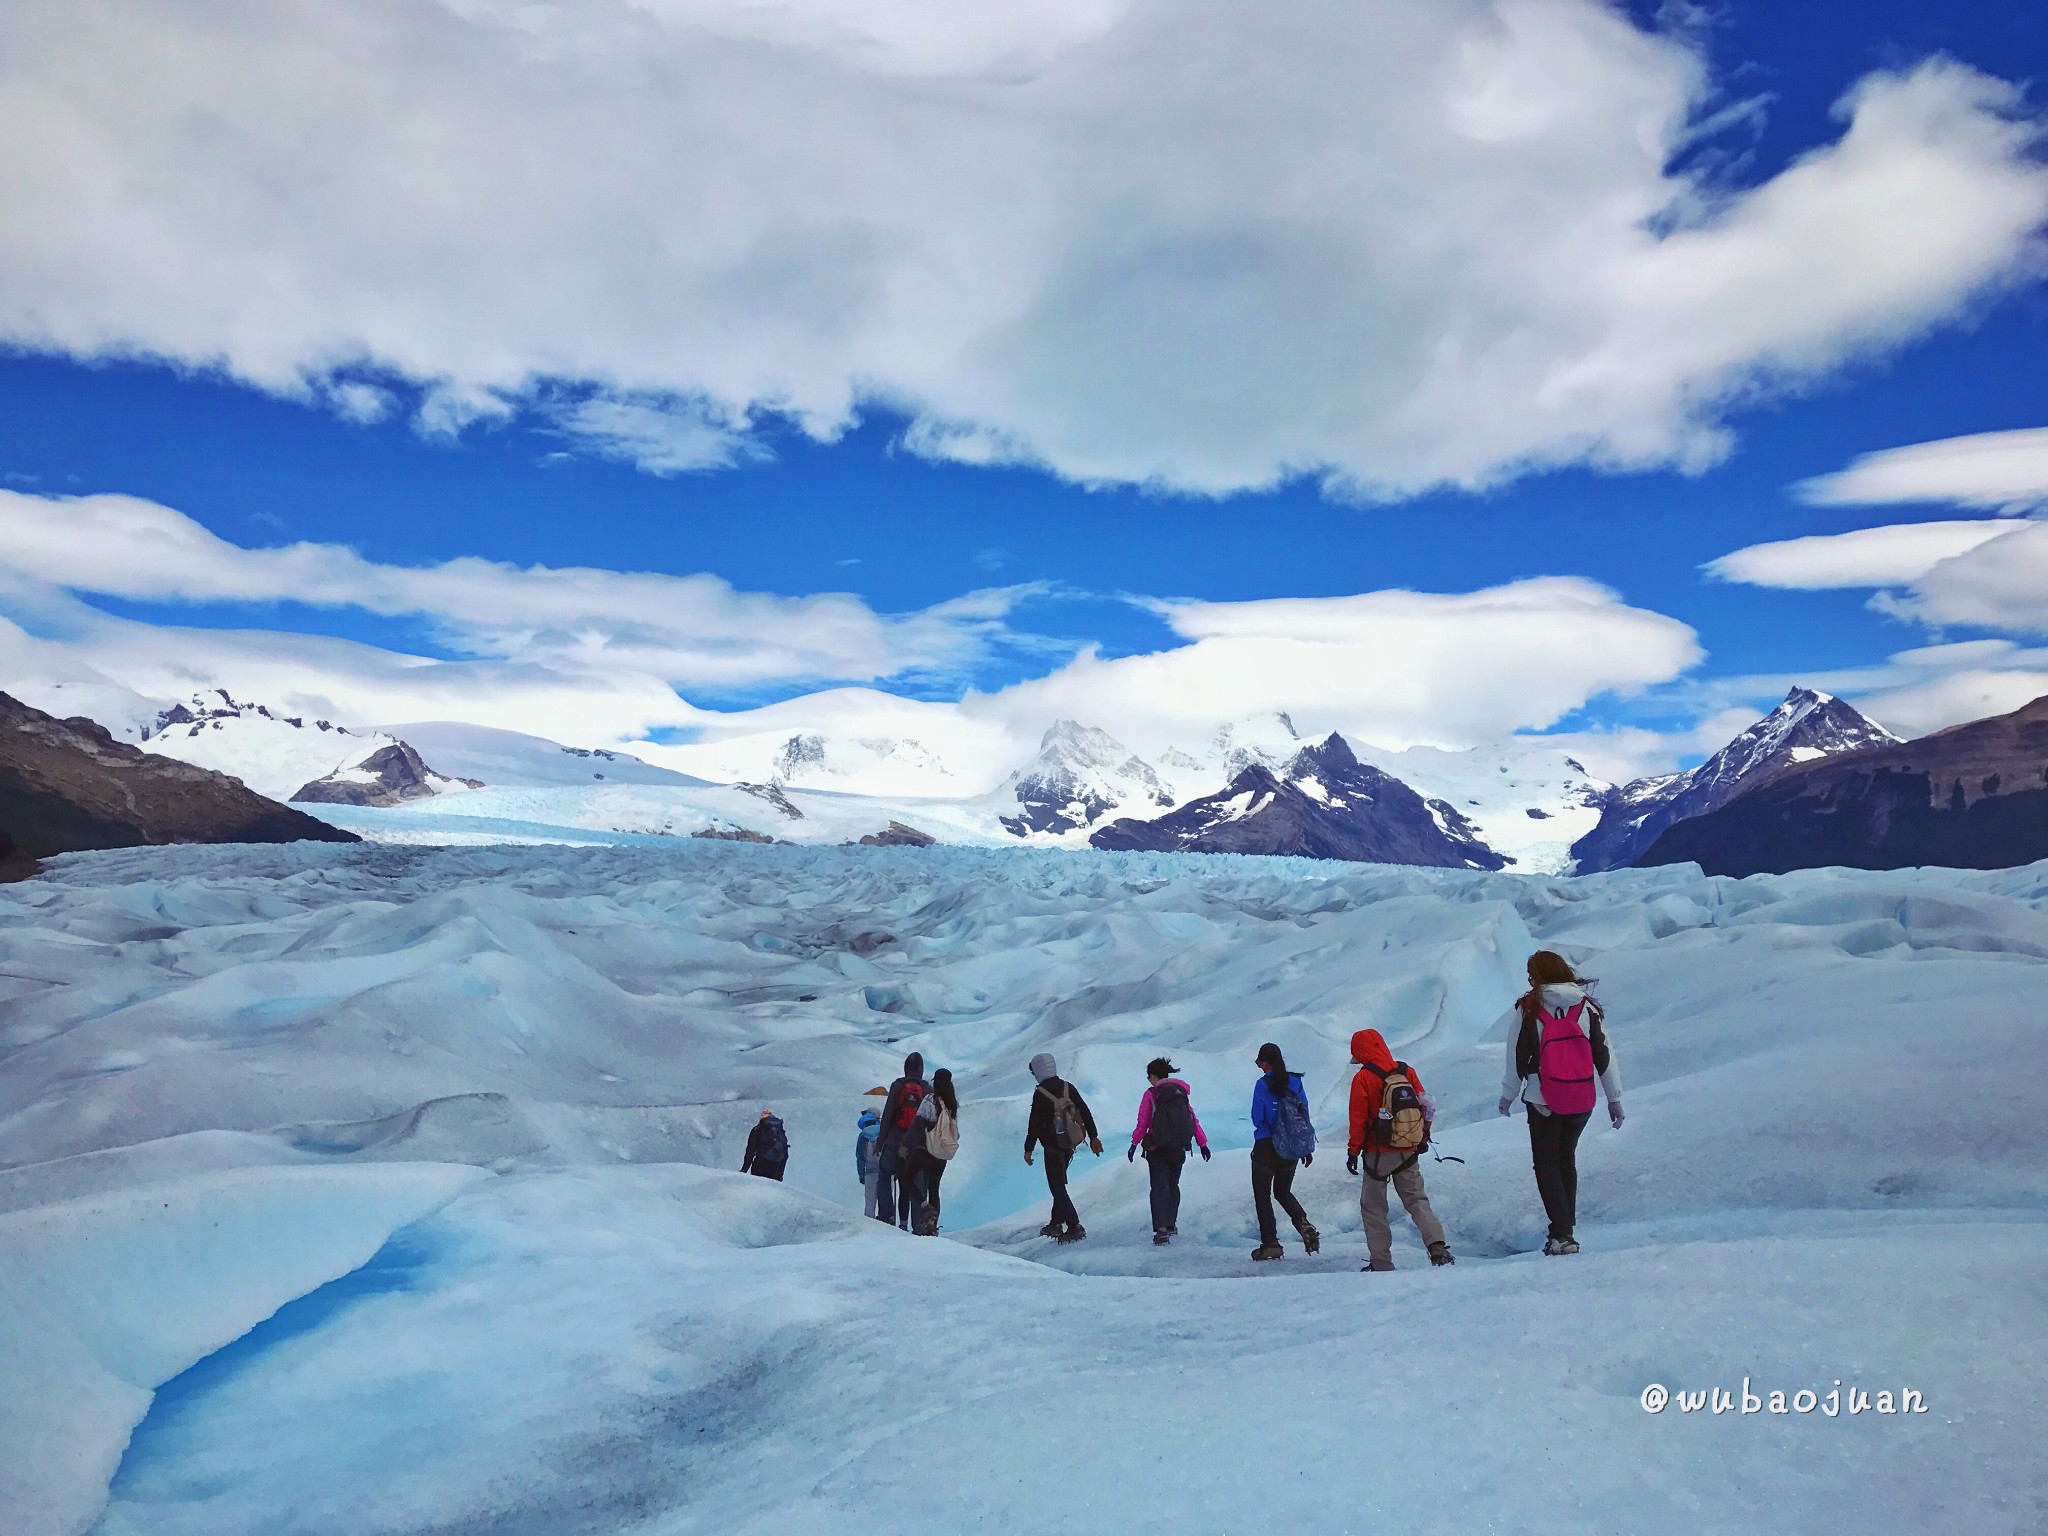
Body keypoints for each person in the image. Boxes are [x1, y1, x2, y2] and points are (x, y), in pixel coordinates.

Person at [1497, 950, 1624, 1255]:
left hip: (1543, 1100)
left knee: (1547, 1164)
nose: (1529, 979)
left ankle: (1562, 1234)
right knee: (1565, 1159)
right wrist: (1614, 1098)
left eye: (1531, 974)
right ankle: (1564, 1231)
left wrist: (1508, 1095)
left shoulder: (1529, 1008)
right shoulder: (1586, 1007)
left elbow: (1516, 1056)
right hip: (1581, 1099)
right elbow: (1604, 1055)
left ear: (1540, 976)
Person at [1346, 1028, 1453, 1271]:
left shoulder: (1363, 1078)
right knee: (1416, 1200)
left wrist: (1353, 1151)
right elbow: (1424, 1107)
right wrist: (1422, 1138)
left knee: (1374, 1208)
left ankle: (1381, 1263)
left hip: (1378, 1153)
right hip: (1408, 1149)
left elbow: (1358, 1119)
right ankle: (1437, 1246)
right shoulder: (1406, 1072)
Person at [1248, 1043, 1320, 1261]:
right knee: (1282, 1191)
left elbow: (1257, 1117)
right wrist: (1304, 1146)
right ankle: (1303, 1224)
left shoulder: (1262, 1084)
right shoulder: (1296, 1082)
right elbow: (1304, 1112)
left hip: (1266, 1147)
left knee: (1263, 1195)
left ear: (1264, 1062)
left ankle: (1270, 1244)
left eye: (1260, 1063)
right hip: (1291, 1147)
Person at [1128, 1057, 1210, 1244]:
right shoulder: (1181, 1094)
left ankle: (1161, 1229)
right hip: (1178, 1148)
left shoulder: (1151, 1094)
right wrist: (1202, 1144)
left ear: (1155, 1076)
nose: (1149, 1080)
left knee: (1158, 1187)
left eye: (1149, 1076)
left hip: (1157, 1148)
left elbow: (1143, 1122)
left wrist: (1134, 1143)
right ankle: (1171, 1224)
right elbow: (1192, 1120)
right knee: (1173, 1185)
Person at [1023, 1051, 1101, 1243]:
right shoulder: (1068, 1087)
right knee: (1059, 1182)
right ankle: (1056, 1223)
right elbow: (1085, 1111)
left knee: (1056, 1186)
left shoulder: (1041, 1093)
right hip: (1069, 1145)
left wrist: (1028, 1148)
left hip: (1052, 1146)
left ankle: (1074, 1225)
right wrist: (1093, 1137)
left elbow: (1034, 1122)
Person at [903, 1067, 960, 1235]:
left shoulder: (930, 1099)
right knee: (934, 1187)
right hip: (941, 1153)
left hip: (925, 1149)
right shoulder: (952, 1104)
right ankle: (932, 1226)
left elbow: (918, 1124)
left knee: (907, 1178)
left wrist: (906, 1144)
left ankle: (925, 1206)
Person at [877, 1052, 930, 1231]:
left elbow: (888, 1115)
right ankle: (919, 1224)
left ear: (905, 1068)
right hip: (917, 1146)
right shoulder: (927, 1089)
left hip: (894, 1141)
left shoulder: (898, 1085)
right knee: (918, 1184)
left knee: (884, 1175)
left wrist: (880, 1141)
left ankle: (887, 1216)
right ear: (921, 1070)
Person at [740, 1109, 788, 1181]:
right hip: (775, 1168)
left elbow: (750, 1151)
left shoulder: (758, 1129)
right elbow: (785, 1155)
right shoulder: (779, 1131)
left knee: (758, 1189)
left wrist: (744, 1169)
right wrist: (780, 1174)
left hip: (760, 1165)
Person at [855, 1107, 883, 1219]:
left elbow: (860, 1157)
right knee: (885, 1199)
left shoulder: (863, 1135)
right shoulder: (884, 1130)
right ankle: (887, 1223)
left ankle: (869, 1223)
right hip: (885, 1171)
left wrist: (861, 1175)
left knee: (870, 1201)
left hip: (870, 1172)